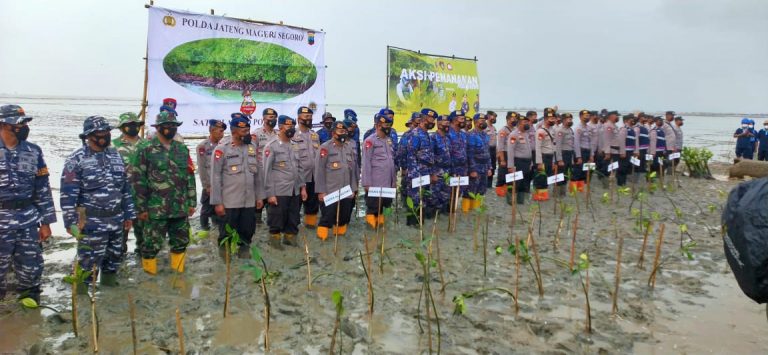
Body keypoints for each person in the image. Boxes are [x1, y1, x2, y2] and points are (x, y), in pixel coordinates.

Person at [61, 116, 136, 288]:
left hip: (116, 221)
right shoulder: (76, 159)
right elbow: (68, 195)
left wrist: (129, 214)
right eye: (98, 133)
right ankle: (81, 302)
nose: (103, 136)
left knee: (113, 262)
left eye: (106, 132)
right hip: (91, 224)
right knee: (87, 266)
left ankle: (108, 294)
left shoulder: (115, 156)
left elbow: (124, 189)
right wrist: (70, 223)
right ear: (88, 136)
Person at [0, 105, 55, 303]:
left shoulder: (33, 151)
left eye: (25, 123)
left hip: (27, 220)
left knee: (31, 268)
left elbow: (42, 188)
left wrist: (46, 222)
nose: (24, 127)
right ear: (4, 125)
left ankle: (29, 310)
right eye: (20, 123)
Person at [133, 111, 196, 275]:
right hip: (155, 209)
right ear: (159, 128)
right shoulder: (145, 149)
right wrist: (141, 209)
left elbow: (189, 177)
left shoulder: (181, 149)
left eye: (174, 126)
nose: (171, 129)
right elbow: (138, 180)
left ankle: (178, 278)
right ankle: (150, 280)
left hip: (180, 207)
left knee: (180, 242)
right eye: (167, 126)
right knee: (150, 245)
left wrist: (192, 202)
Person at [210, 114, 265, 257]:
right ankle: (226, 261)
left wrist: (259, 197)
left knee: (247, 232)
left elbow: (257, 174)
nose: (247, 133)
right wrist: (217, 203)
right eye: (243, 131)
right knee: (226, 234)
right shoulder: (222, 149)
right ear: (234, 131)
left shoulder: (252, 147)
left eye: (248, 129)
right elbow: (215, 177)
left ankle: (244, 257)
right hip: (230, 202)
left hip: (249, 202)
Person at [263, 115, 307, 248]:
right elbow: (267, 172)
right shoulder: (271, 146)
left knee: (293, 219)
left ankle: (290, 241)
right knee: (276, 220)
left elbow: (300, 168)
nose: (292, 129)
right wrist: (270, 194)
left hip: (294, 191)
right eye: (289, 126)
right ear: (280, 127)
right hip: (279, 191)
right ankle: (275, 244)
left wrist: (303, 188)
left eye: (293, 126)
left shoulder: (295, 145)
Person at [112, 112, 149, 254]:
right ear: (122, 128)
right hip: (121, 197)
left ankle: (143, 266)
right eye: (129, 125)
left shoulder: (147, 144)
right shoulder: (113, 146)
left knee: (144, 237)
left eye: (135, 125)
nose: (133, 127)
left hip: (143, 197)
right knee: (120, 238)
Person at [315, 120, 359, 239]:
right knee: (327, 218)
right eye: (340, 131)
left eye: (345, 131)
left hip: (346, 191)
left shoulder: (348, 147)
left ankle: (339, 242)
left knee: (343, 218)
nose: (343, 133)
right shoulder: (325, 148)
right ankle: (322, 243)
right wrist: (321, 191)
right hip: (330, 191)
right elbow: (319, 171)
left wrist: (353, 189)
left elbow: (353, 170)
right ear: (334, 133)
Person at [362, 114, 397, 228]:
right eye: (386, 125)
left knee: (385, 207)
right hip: (375, 184)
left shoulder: (388, 140)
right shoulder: (370, 141)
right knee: (373, 209)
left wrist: (394, 181)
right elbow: (366, 163)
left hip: (388, 183)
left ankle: (382, 232)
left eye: (389, 125)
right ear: (378, 125)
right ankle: (371, 232)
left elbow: (391, 162)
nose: (388, 127)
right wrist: (366, 183)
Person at [405, 109, 437, 226]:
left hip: (426, 174)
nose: (433, 122)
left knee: (423, 202)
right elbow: (411, 155)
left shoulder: (426, 135)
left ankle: (419, 227)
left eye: (433, 120)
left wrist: (432, 173)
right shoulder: (415, 134)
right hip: (416, 174)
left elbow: (429, 158)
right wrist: (415, 176)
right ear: (423, 119)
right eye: (431, 120)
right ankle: (412, 228)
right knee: (414, 202)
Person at [196, 119, 226, 233]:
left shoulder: (223, 145)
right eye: (220, 131)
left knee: (219, 209)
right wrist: (206, 186)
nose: (222, 134)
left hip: (221, 185)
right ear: (212, 130)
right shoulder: (202, 146)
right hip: (210, 184)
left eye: (223, 132)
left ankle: (216, 228)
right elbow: (202, 168)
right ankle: (205, 230)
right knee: (206, 210)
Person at [294, 106, 321, 227]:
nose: (309, 119)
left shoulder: (314, 135)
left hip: (314, 177)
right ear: (299, 118)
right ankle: (293, 233)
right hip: (299, 177)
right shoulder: (293, 135)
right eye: (306, 117)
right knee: (295, 206)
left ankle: (310, 230)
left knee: (312, 206)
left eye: (310, 117)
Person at [253, 108, 278, 225]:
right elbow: (251, 154)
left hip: (274, 173)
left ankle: (270, 224)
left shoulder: (278, 134)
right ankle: (257, 224)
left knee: (272, 201)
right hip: (261, 173)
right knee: (259, 202)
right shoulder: (256, 134)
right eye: (270, 118)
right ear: (263, 119)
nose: (273, 120)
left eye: (274, 118)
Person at [506, 114, 534, 204]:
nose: (527, 124)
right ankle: (510, 201)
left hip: (527, 162)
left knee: (523, 183)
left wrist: (531, 163)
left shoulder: (526, 134)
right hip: (518, 162)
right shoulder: (514, 135)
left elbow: (529, 149)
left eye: (527, 122)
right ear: (519, 124)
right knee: (515, 182)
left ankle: (520, 201)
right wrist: (510, 165)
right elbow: (510, 150)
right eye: (524, 122)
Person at [428, 114, 453, 214]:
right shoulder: (433, 138)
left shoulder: (448, 138)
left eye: (448, 123)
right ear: (438, 124)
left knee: (445, 197)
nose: (447, 125)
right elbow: (430, 157)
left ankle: (441, 220)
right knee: (433, 198)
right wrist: (432, 173)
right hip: (437, 173)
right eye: (445, 123)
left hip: (447, 172)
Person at [467, 113, 492, 209]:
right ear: (476, 122)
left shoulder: (485, 135)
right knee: (471, 190)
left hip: (485, 166)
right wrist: (472, 169)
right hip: (476, 166)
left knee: (482, 190)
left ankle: (476, 209)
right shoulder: (471, 135)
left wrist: (489, 167)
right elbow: (470, 154)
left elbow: (487, 152)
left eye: (485, 121)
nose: (484, 123)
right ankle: (468, 210)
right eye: (482, 121)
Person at [447, 110, 471, 212]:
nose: (464, 121)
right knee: (448, 192)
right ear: (454, 120)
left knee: (459, 191)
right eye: (462, 119)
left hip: (462, 168)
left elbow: (466, 150)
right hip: (451, 168)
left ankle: (453, 211)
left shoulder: (463, 134)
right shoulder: (447, 133)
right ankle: (447, 213)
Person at [533, 111, 558, 201]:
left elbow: (554, 146)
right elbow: (538, 147)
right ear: (546, 119)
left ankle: (544, 196)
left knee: (547, 176)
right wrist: (539, 162)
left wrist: (554, 161)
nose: (553, 120)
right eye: (551, 119)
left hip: (550, 157)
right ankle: (538, 197)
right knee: (541, 178)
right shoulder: (540, 131)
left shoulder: (553, 130)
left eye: (554, 119)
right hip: (543, 157)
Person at [554, 113, 580, 196]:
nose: (571, 121)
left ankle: (563, 193)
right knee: (560, 174)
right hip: (563, 154)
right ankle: (557, 193)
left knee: (565, 175)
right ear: (564, 120)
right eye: (569, 119)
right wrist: (560, 159)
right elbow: (558, 146)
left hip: (569, 154)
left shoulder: (570, 130)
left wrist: (572, 159)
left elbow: (571, 145)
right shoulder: (560, 130)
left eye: (571, 119)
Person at [495, 111, 519, 197]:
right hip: (504, 154)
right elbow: (500, 146)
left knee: (511, 175)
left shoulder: (516, 130)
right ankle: (500, 193)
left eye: (516, 119)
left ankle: (509, 192)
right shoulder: (503, 130)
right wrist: (502, 160)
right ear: (508, 120)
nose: (515, 120)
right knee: (502, 175)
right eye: (513, 119)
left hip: (512, 155)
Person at [570, 110, 594, 192]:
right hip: (580, 151)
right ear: (580, 117)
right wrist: (578, 156)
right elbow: (576, 143)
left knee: (585, 172)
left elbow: (591, 142)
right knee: (577, 172)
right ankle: (573, 191)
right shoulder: (578, 128)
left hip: (588, 152)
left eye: (588, 116)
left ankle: (581, 190)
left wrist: (592, 155)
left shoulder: (589, 128)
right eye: (585, 116)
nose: (587, 117)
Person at [601, 111, 621, 188]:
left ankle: (611, 184)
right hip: (610, 151)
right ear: (611, 116)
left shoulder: (614, 126)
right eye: (616, 116)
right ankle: (606, 185)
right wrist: (607, 152)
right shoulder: (608, 126)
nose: (618, 117)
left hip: (616, 151)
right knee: (607, 169)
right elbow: (607, 140)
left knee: (614, 168)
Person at [485, 111, 498, 189]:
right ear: (489, 116)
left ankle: (489, 186)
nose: (495, 119)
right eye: (493, 117)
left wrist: (496, 152)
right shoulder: (484, 127)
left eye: (495, 117)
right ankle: (485, 186)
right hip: (487, 150)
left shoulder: (494, 128)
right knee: (487, 168)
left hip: (493, 150)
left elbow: (495, 140)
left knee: (493, 168)